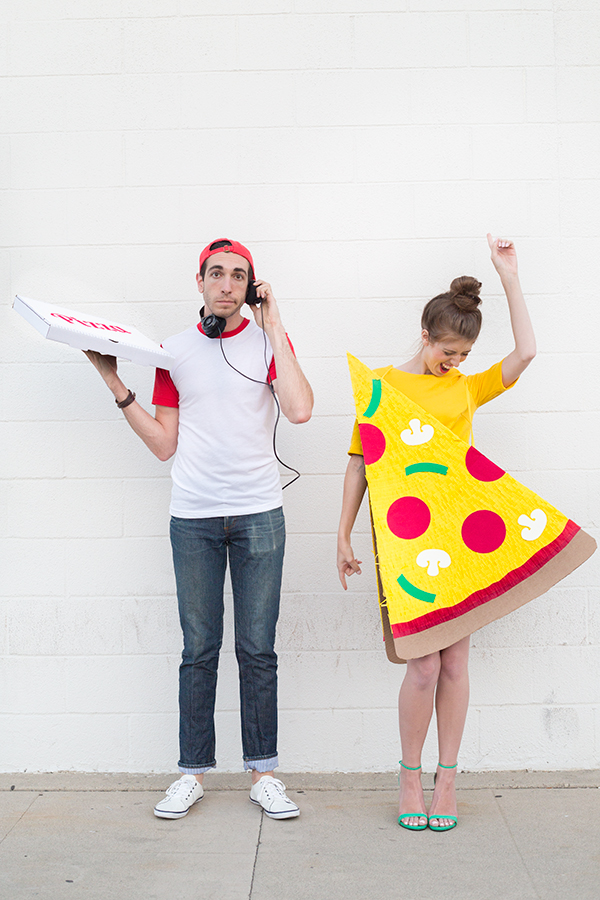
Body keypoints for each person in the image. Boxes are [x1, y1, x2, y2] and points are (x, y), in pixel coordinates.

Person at [85, 238, 313, 820]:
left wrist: (275, 321)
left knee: (257, 649)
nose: (228, 284)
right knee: (199, 649)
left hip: (260, 512)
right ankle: (192, 772)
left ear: (250, 286)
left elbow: (302, 408)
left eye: (240, 276)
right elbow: (165, 443)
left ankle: (264, 772)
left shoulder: (267, 344)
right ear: (201, 281)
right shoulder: (174, 352)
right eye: (218, 274)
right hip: (194, 518)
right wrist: (117, 385)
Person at [336, 234, 536, 832]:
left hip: (464, 539)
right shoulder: (381, 390)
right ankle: (410, 776)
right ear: (425, 336)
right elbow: (358, 465)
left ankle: (447, 782)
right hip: (406, 543)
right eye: (448, 351)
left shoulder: (464, 389)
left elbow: (526, 353)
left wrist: (509, 277)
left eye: (464, 354)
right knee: (420, 667)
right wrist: (342, 536)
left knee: (455, 666)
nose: (456, 363)